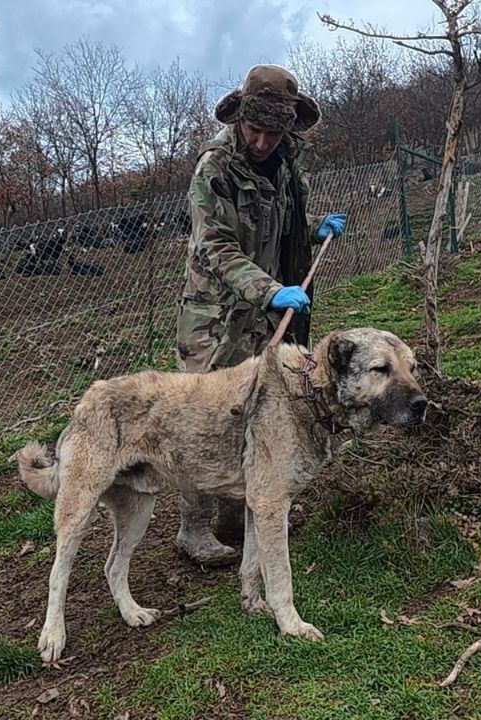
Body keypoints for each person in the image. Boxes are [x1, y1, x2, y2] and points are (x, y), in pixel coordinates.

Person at [175, 64, 349, 566]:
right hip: (218, 317)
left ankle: (238, 512)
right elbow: (215, 245)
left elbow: (278, 220)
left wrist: (314, 228)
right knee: (203, 417)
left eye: (273, 132)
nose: (261, 141)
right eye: (255, 130)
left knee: (258, 406)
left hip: (267, 313)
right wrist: (269, 290)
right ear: (241, 118)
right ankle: (192, 528)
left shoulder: (286, 160)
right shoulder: (215, 167)